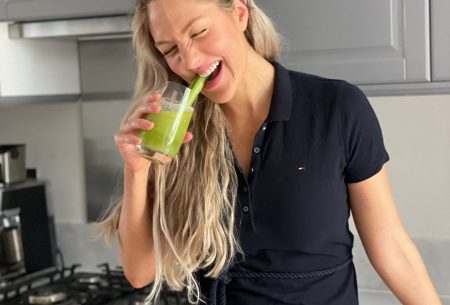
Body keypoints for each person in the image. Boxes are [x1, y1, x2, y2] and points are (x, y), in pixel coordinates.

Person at [99, 0, 443, 304]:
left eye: (199, 32)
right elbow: (140, 272)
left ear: (239, 13)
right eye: (170, 49)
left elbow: (391, 248)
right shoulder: (175, 133)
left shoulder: (337, 108)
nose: (189, 59)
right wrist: (136, 169)